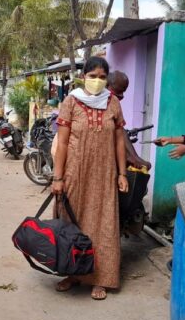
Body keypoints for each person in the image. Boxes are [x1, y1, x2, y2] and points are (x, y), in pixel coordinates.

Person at [51, 57, 129, 301]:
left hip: (104, 174)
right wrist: (58, 177)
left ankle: (100, 279)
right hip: (75, 173)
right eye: (93, 75)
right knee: (71, 223)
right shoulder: (71, 101)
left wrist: (122, 173)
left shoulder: (113, 103)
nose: (97, 80)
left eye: (102, 77)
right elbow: (62, 142)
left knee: (103, 225)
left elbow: (119, 140)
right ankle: (72, 274)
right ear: (83, 76)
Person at [108, 70, 151, 171]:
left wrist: (134, 156)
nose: (122, 96)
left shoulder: (113, 104)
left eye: (123, 91)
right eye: (118, 91)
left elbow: (119, 128)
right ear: (107, 85)